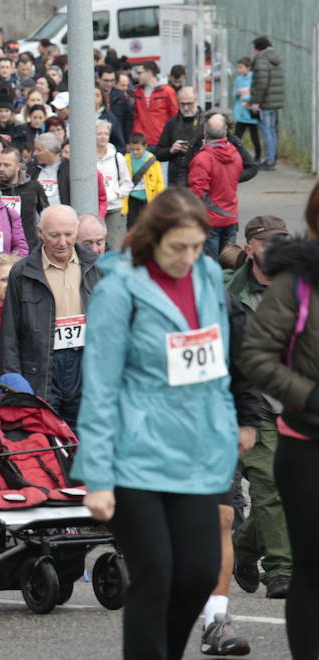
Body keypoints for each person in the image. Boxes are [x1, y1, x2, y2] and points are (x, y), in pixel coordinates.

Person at [75, 189, 237, 660]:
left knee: (200, 572)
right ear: (151, 241)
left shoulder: (207, 274)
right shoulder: (118, 289)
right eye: (176, 249)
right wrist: (98, 477)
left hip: (196, 448)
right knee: (157, 573)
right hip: (134, 454)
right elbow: (101, 385)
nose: (188, 258)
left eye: (195, 246)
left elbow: (216, 366)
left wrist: (227, 430)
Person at [238, 183, 319, 657]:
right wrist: (309, 395)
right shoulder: (296, 282)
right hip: (306, 442)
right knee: (310, 569)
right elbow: (256, 355)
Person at [227, 215, 294, 601]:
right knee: (269, 485)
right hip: (256, 401)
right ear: (250, 247)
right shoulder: (229, 293)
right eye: (268, 243)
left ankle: (243, 547)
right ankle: (281, 569)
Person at [0, 205, 101, 426]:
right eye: (54, 235)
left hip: (85, 363)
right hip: (42, 365)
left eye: (69, 235)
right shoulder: (22, 272)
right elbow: (9, 333)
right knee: (46, 432)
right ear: (40, 232)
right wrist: (13, 380)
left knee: (84, 432)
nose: (62, 242)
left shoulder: (96, 267)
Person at [189, 113, 246, 258]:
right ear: (226, 131)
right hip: (231, 217)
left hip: (211, 220)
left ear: (205, 133)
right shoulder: (235, 155)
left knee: (210, 265)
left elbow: (198, 192)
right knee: (229, 264)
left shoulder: (203, 159)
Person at [155, 87, 204, 188]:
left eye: (189, 104)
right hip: (176, 179)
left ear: (196, 101)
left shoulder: (207, 122)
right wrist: (171, 150)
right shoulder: (172, 123)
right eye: (182, 104)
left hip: (201, 177)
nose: (186, 108)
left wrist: (206, 148)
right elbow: (159, 154)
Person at [249, 36, 284, 170]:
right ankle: (272, 158)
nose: (253, 52)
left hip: (265, 102)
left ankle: (269, 161)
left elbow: (261, 83)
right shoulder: (274, 59)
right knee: (273, 131)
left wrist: (256, 102)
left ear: (258, 48)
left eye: (254, 49)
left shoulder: (262, 61)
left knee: (266, 131)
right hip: (275, 101)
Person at [96, 121, 132, 248]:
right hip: (93, 209)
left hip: (114, 208)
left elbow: (127, 183)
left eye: (106, 133)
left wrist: (116, 194)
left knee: (115, 247)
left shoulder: (118, 158)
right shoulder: (87, 158)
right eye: (99, 133)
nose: (103, 136)